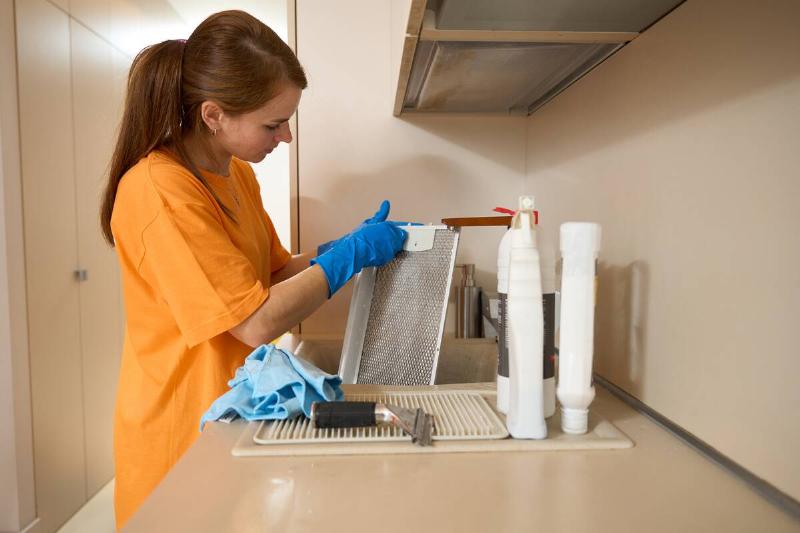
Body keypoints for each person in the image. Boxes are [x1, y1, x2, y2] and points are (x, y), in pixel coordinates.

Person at [99, 10, 407, 528]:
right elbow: (256, 319)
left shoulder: (235, 174)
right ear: (214, 115)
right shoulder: (160, 190)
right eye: (273, 123)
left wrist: (341, 249)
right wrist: (346, 259)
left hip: (234, 417)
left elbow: (271, 277)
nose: (285, 136)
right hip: (180, 440)